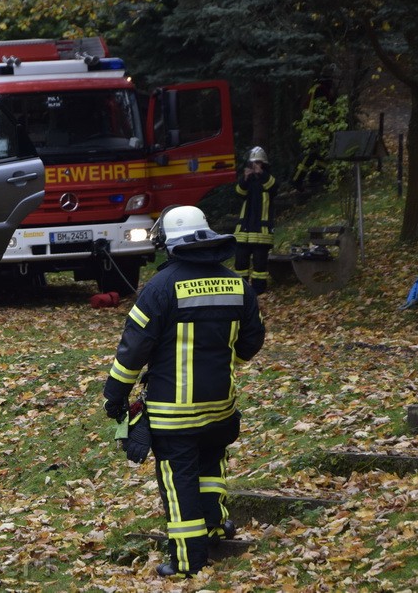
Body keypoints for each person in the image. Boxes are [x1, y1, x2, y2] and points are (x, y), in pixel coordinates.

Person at [103, 205, 265, 579]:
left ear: (170, 242)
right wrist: (231, 359)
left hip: (174, 414)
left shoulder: (160, 287)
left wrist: (115, 394)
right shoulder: (236, 283)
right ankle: (215, 527)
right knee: (210, 468)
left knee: (179, 482)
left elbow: (132, 350)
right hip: (221, 408)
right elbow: (252, 339)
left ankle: (188, 560)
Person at [233, 146, 277, 294]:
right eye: (253, 163)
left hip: (261, 229)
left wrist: (261, 174)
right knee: (240, 260)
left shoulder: (268, 178)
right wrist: (245, 178)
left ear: (263, 163)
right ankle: (241, 289)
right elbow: (239, 193)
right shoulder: (248, 179)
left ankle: (258, 289)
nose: (255, 165)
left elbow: (274, 188)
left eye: (258, 162)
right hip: (244, 229)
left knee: (259, 262)